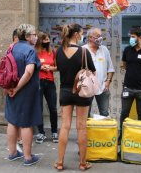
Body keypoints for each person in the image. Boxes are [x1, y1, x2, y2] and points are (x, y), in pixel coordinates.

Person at [54, 23, 96, 171]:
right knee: (81, 127)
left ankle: (59, 162)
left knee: (65, 126)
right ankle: (83, 164)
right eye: (82, 33)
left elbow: (58, 68)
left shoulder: (59, 51)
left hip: (65, 91)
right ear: (77, 35)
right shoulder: (84, 52)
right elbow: (93, 72)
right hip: (81, 92)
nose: (82, 35)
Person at [4, 24, 42, 166]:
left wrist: (9, 87)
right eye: (33, 34)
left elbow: (5, 69)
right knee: (26, 123)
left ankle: (13, 153)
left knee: (12, 120)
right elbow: (29, 72)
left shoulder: (12, 47)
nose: (36, 37)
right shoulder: (30, 50)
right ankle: (27, 157)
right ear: (26, 36)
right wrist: (18, 88)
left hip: (11, 89)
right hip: (26, 91)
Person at [82, 27, 114, 117]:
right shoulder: (83, 50)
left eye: (101, 36)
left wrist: (108, 82)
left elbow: (110, 68)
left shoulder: (104, 50)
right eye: (98, 36)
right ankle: (86, 131)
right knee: (86, 114)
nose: (100, 38)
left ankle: (103, 131)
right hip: (87, 87)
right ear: (90, 38)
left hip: (103, 87)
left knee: (104, 113)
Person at [34, 31, 59, 144]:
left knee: (53, 108)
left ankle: (54, 132)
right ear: (40, 40)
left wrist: (50, 68)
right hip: (38, 81)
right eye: (45, 39)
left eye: (48, 39)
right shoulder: (34, 52)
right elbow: (31, 66)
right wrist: (40, 66)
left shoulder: (52, 51)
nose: (47, 41)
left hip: (50, 82)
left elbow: (57, 67)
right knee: (38, 107)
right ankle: (41, 132)